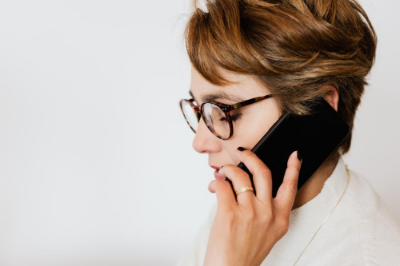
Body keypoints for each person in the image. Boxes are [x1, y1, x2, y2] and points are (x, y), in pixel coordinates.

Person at [177, 0, 400, 265]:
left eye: (225, 110)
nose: (199, 142)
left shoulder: (367, 256)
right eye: (200, 110)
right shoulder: (243, 207)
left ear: (317, 107)